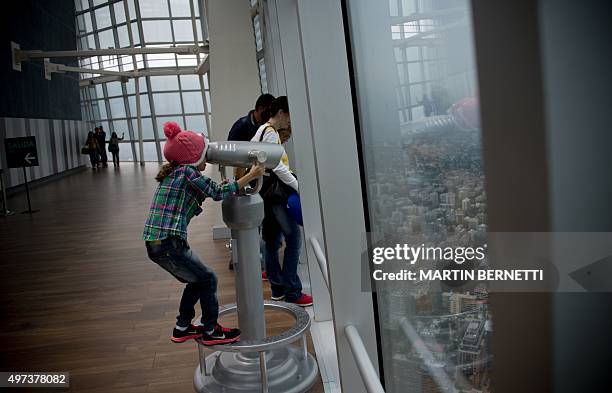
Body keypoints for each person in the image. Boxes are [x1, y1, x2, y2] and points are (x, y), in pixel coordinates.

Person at [143, 121, 265, 345]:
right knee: (208, 279)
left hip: (156, 244)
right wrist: (252, 174)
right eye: (204, 153)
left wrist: (232, 183)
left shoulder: (176, 172)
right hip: (170, 243)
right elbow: (218, 193)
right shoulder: (188, 172)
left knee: (197, 281)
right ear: (194, 157)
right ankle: (210, 330)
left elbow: (209, 191)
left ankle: (182, 327)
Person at [250, 96, 313, 307]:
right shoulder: (270, 133)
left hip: (265, 194)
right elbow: (277, 167)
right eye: (289, 116)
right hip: (275, 196)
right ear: (281, 113)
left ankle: (278, 288)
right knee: (293, 239)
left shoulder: (261, 130)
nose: (290, 122)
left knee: (272, 240)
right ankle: (292, 291)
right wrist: (298, 186)